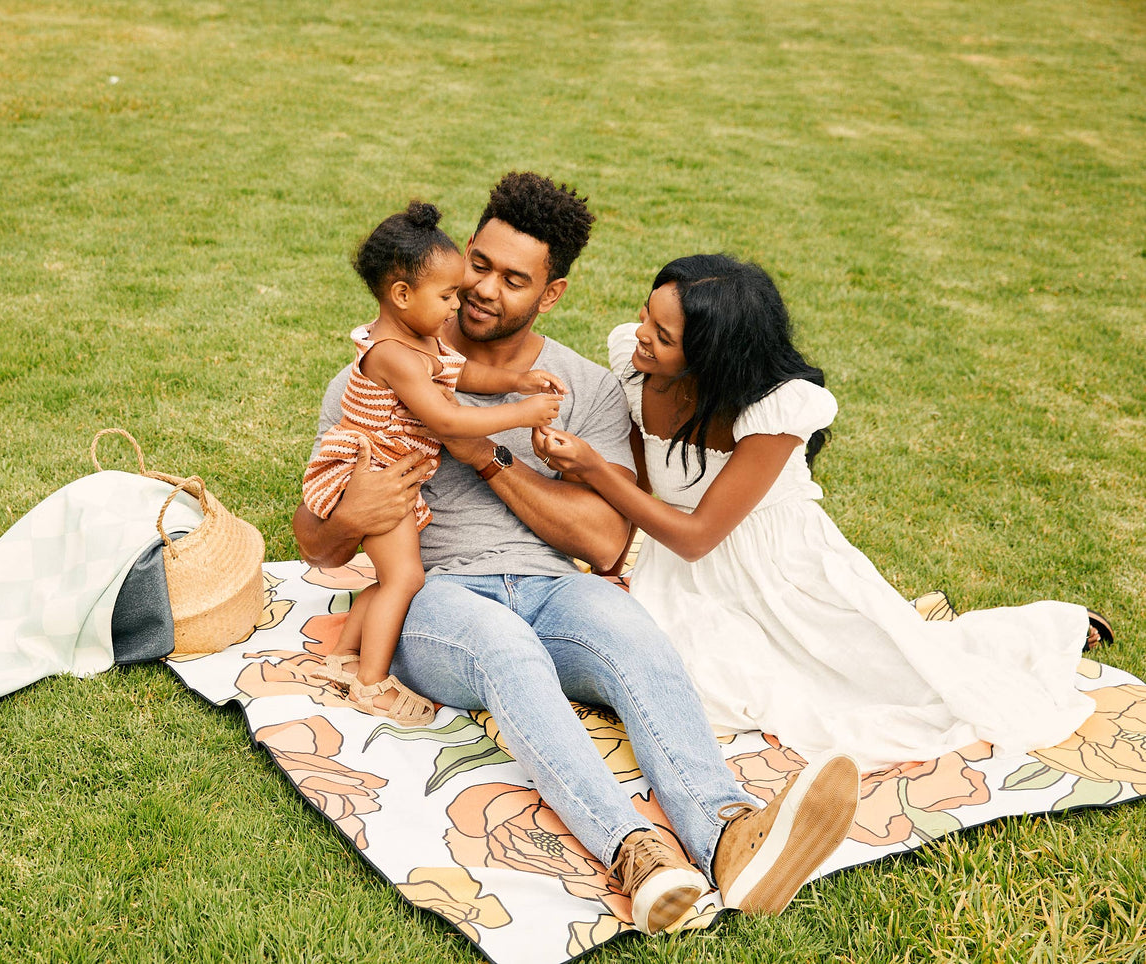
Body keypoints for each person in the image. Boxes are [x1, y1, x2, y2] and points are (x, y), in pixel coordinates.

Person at [294, 173, 861, 935]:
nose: (484, 290)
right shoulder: (381, 372)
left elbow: (603, 540)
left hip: (553, 587)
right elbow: (317, 542)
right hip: (439, 596)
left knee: (632, 636)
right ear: (462, 255)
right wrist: (351, 512)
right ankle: (635, 853)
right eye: (480, 266)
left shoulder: (582, 387)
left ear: (550, 293)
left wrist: (488, 456)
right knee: (506, 650)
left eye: (513, 279)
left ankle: (729, 833)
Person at [534, 253, 1103, 771]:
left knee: (889, 683)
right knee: (695, 682)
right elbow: (638, 482)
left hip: (782, 567)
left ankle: (1042, 631)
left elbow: (697, 534)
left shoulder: (774, 409)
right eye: (645, 317)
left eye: (664, 335)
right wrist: (608, 550)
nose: (641, 336)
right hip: (680, 571)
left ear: (713, 354)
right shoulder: (637, 367)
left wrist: (590, 468)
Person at [301, 200, 567, 725]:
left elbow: (461, 377)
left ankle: (340, 660)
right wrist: (524, 411)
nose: (456, 306)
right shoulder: (392, 356)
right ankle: (371, 684)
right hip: (373, 478)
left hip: (394, 474)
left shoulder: (419, 342)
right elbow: (446, 421)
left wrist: (516, 380)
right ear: (402, 295)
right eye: (446, 295)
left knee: (391, 577)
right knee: (404, 580)